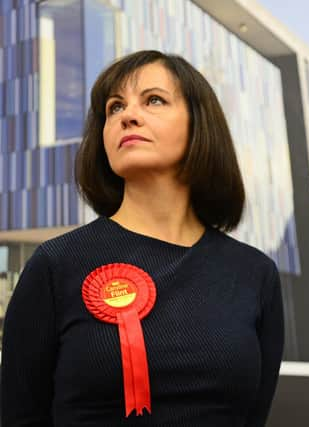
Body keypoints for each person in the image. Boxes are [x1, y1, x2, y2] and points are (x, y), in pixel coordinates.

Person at [1, 50, 284, 426]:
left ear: (200, 125)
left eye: (153, 100)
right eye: (114, 108)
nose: (127, 116)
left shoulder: (254, 274)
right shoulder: (57, 265)